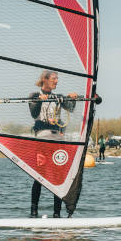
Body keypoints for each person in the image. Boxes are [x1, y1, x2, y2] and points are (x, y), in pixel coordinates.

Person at [27, 70, 102, 218]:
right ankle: (33, 212)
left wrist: (72, 98)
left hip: (58, 140)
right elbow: (34, 113)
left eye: (57, 79)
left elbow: (71, 108)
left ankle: (57, 214)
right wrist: (40, 100)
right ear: (45, 79)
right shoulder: (34, 95)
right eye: (54, 79)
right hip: (42, 139)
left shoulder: (58, 97)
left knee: (58, 176)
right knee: (39, 177)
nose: (57, 81)